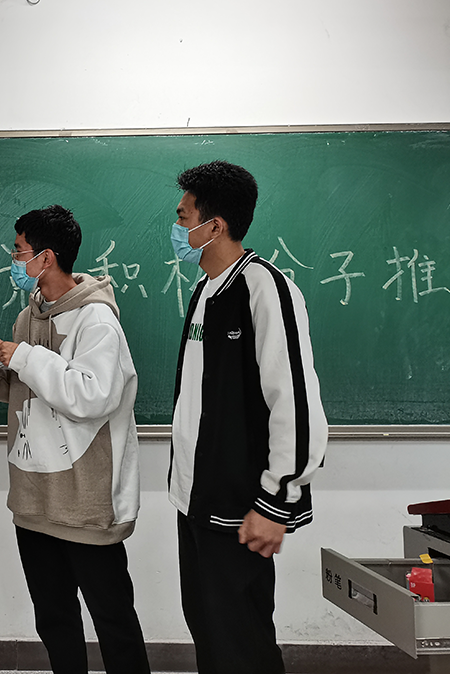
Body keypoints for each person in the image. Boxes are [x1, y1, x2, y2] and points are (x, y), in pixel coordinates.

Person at [0, 205, 150, 674]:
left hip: (85, 503)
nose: (13, 259)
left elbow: (91, 396)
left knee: (112, 619)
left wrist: (25, 358)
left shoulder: (96, 321)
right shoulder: (27, 318)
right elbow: (29, 391)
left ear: (45, 257)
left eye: (18, 251)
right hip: (35, 498)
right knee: (53, 618)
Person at [168, 161, 329, 674]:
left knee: (242, 645)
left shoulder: (265, 288)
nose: (176, 227)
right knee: (211, 634)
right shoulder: (205, 289)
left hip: (242, 507)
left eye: (183, 216)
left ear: (214, 225)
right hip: (196, 501)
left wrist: (277, 501)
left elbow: (295, 401)